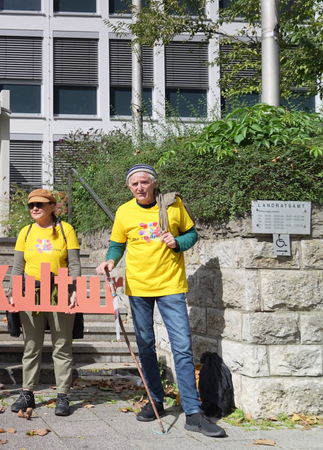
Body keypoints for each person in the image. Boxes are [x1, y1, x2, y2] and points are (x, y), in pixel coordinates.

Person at [95, 164, 226, 438]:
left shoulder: (173, 205)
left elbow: (192, 234)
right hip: (138, 288)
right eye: (134, 184)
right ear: (129, 188)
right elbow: (118, 244)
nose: (139, 187)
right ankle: (156, 400)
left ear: (154, 183)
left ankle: (193, 412)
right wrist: (110, 260)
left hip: (170, 286)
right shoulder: (124, 212)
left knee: (181, 347)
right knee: (145, 347)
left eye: (144, 182)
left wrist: (177, 242)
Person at [8, 189, 80, 417]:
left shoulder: (66, 230)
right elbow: (18, 267)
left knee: (62, 347)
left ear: (52, 206)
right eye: (31, 205)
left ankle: (63, 395)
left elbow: (75, 264)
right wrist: (13, 292)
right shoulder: (26, 232)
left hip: (60, 291)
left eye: (40, 204)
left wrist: (75, 290)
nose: (35, 208)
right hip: (30, 291)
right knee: (31, 346)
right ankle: (27, 393)